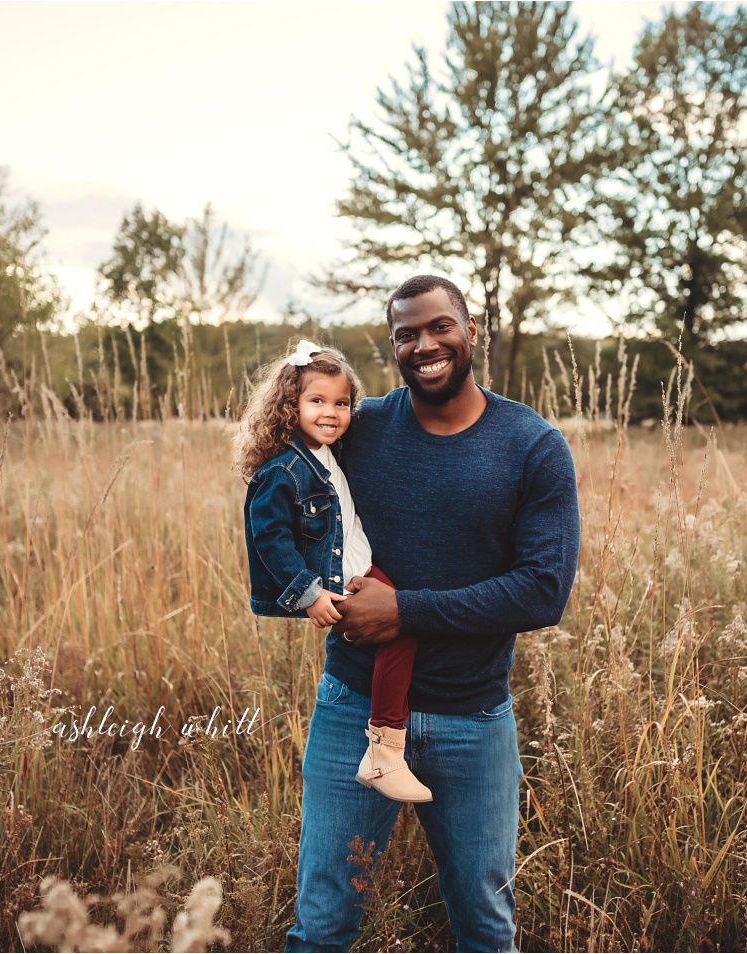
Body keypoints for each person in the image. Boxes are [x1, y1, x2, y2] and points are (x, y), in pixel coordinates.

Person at [285, 275, 580, 953]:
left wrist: (404, 611)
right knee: (323, 924)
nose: (425, 345)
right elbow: (291, 488)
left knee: (483, 926)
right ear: (393, 347)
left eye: (439, 326)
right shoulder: (360, 432)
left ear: (471, 330)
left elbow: (543, 591)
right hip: (351, 710)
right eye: (406, 334)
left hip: (471, 719)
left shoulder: (531, 446)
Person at [237, 340, 434, 804]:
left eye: (342, 403)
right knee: (402, 628)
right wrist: (309, 593)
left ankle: (388, 743)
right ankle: (385, 750)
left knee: (409, 616)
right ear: (291, 405)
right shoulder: (283, 470)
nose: (331, 412)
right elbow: (270, 539)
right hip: (336, 584)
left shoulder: (327, 454)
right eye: (317, 401)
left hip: (360, 568)